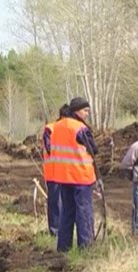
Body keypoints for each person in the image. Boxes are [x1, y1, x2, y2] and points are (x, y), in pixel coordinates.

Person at [46, 97, 99, 252]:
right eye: (85, 110)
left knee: (66, 212)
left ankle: (63, 247)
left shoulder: (57, 126)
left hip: (63, 177)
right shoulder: (78, 128)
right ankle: (86, 247)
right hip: (80, 176)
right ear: (77, 111)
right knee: (84, 211)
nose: (87, 114)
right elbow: (93, 149)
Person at [42, 104, 70, 236]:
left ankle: (64, 230)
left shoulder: (70, 128)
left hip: (68, 173)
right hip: (53, 173)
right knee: (55, 203)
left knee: (66, 203)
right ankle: (55, 231)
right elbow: (50, 148)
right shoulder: (50, 129)